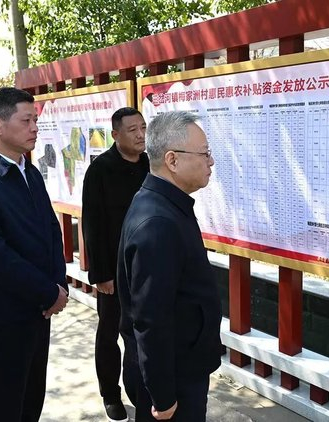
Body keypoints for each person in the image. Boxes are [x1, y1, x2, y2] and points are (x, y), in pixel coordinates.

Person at [0, 87, 69, 422]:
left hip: (39, 310)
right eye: (26, 121)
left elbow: (50, 230)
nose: (35, 128)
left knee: (31, 401)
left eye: (35, 120)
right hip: (2, 317)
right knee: (4, 407)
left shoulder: (29, 171)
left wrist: (58, 285)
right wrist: (48, 291)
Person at [117, 111, 221, 422]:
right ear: (172, 160)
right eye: (204, 153)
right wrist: (162, 395)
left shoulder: (167, 204)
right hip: (173, 378)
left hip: (184, 364)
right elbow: (151, 318)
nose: (211, 161)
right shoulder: (157, 222)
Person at [82, 107, 150, 422]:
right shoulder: (100, 170)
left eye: (143, 128)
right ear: (115, 135)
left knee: (142, 333)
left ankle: (142, 390)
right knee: (109, 333)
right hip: (113, 268)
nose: (140, 135)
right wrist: (102, 274)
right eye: (132, 130)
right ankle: (110, 393)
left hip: (146, 266)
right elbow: (92, 224)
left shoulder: (150, 164)